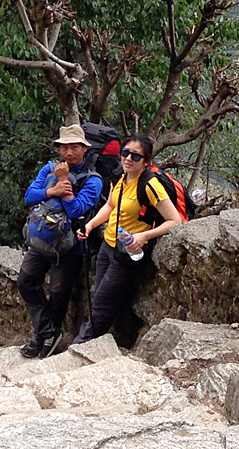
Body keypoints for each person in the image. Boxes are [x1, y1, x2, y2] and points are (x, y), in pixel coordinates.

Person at [73, 133, 181, 344]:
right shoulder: (120, 177)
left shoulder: (150, 185)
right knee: (98, 298)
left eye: (136, 156)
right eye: (125, 153)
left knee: (102, 303)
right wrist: (90, 225)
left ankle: (81, 346)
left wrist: (144, 236)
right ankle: (96, 343)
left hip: (127, 253)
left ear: (147, 161)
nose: (128, 158)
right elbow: (111, 205)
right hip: (108, 245)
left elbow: (174, 220)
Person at [16, 123, 104, 358]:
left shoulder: (93, 180)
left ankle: (42, 340)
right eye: (64, 147)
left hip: (69, 247)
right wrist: (52, 191)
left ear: (85, 149)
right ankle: (47, 333)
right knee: (25, 282)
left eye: (75, 147)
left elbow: (77, 211)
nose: (69, 152)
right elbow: (29, 196)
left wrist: (66, 187)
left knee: (58, 295)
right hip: (40, 240)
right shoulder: (49, 168)